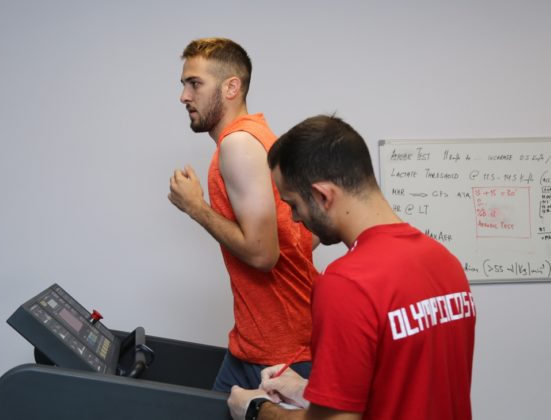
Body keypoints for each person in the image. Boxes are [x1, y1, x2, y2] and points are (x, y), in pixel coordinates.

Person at [228, 115, 476, 420]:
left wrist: (256, 409)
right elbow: (406, 383)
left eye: (293, 204)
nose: (294, 218)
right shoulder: (445, 262)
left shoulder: (346, 284)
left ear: (322, 196)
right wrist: (311, 389)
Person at [168, 38, 318, 392]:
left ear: (231, 87)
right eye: (184, 84)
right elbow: (301, 236)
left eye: (195, 84)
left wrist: (195, 207)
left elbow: (264, 255)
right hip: (253, 343)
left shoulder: (238, 145)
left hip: (281, 352)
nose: (184, 96)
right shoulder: (260, 136)